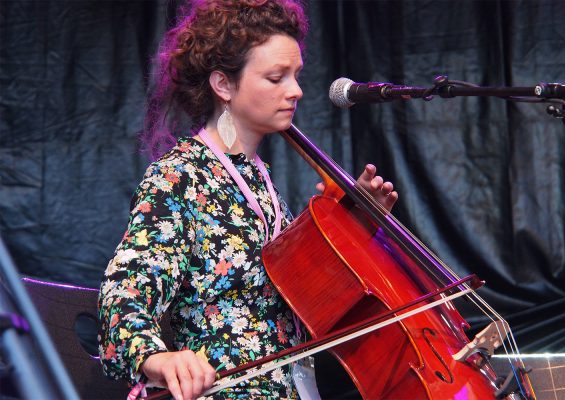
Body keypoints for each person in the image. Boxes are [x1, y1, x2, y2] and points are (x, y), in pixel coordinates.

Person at [98, 1, 398, 399]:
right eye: (276, 78)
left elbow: (302, 302)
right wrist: (160, 359)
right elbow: (122, 297)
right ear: (223, 85)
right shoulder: (181, 177)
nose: (296, 91)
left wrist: (354, 229)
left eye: (295, 75)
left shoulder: (259, 178)